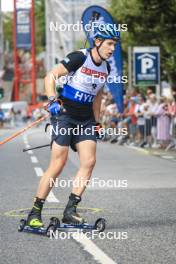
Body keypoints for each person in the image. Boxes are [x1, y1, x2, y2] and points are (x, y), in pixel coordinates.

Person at [26, 24, 120, 227]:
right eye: (110, 43)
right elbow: (50, 76)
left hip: (85, 118)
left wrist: (97, 122)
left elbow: (97, 96)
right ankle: (34, 212)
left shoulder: (106, 67)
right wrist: (52, 100)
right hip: (65, 115)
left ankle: (70, 210)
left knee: (89, 162)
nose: (113, 49)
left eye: (115, 44)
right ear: (97, 42)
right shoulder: (79, 57)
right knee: (58, 164)